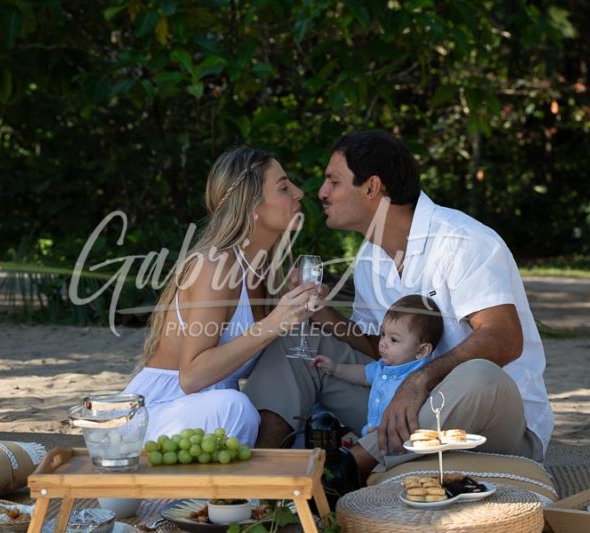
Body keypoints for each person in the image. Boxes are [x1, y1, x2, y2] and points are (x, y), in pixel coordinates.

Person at [245, 130, 553, 478]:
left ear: (372, 188)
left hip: (488, 421)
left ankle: (345, 473)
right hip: (405, 413)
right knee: (294, 343)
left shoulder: (461, 241)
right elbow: (380, 351)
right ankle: (260, 478)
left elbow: (505, 338)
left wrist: (418, 382)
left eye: (334, 181)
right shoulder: (369, 258)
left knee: (480, 375)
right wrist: (320, 313)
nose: (322, 192)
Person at [123, 146, 318, 445]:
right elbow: (191, 378)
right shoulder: (214, 266)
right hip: (158, 416)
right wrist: (274, 324)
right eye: (283, 187)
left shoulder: (266, 272)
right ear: (252, 206)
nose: (299, 193)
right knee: (237, 408)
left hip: (208, 420)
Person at [312, 294, 444, 436]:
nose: (383, 343)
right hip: (371, 433)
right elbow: (363, 374)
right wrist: (336, 368)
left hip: (397, 438)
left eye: (393, 339)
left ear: (422, 350)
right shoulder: (382, 366)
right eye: (383, 334)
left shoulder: (420, 378)